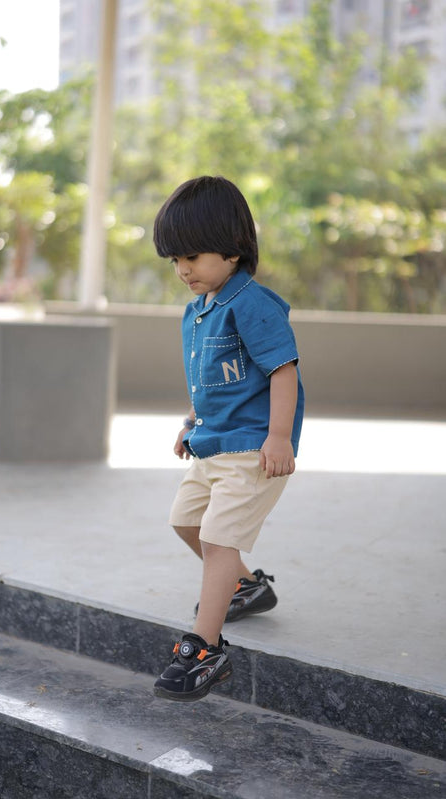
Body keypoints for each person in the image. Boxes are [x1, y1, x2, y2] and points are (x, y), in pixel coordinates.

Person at [152, 175, 305, 702]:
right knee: (185, 520)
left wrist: (280, 437)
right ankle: (247, 586)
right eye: (174, 261)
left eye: (192, 256)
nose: (183, 270)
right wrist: (191, 421)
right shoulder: (197, 311)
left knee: (218, 539)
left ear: (234, 250)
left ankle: (206, 647)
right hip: (213, 442)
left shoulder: (253, 304)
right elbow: (206, 376)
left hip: (254, 447)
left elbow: (283, 370)